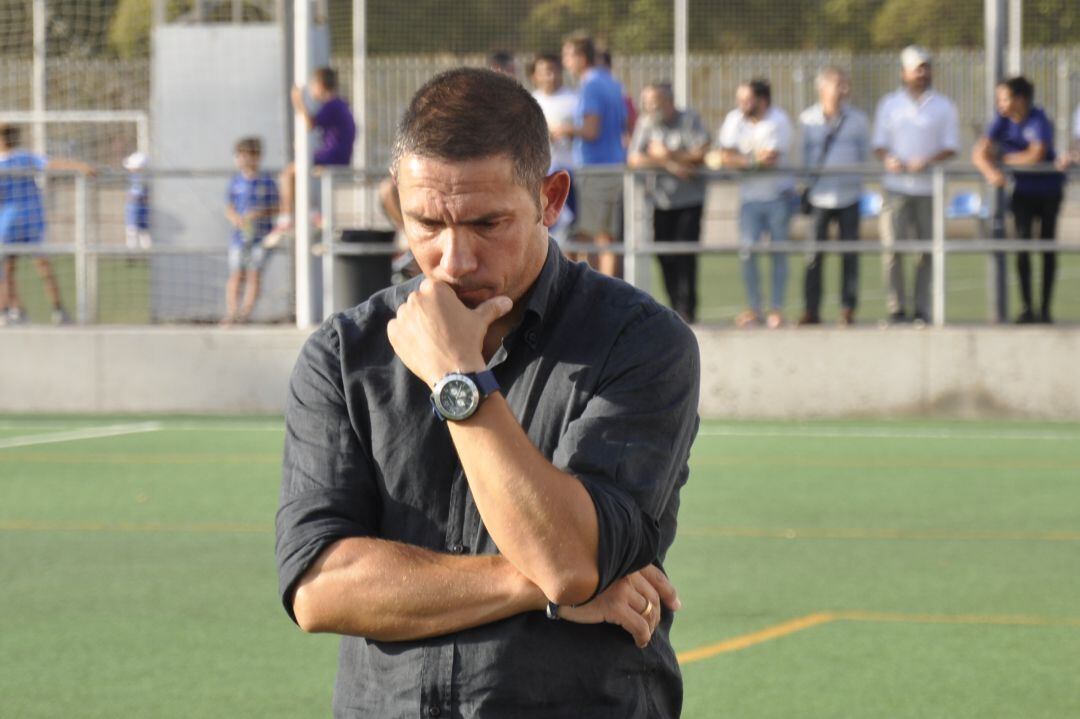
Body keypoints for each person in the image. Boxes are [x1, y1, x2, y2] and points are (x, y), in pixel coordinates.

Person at [275, 68, 699, 718]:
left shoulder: (638, 342)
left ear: (551, 198)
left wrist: (457, 380)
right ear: (397, 205)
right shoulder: (344, 355)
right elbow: (321, 589)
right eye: (427, 223)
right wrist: (534, 584)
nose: (454, 257)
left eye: (487, 223)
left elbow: (567, 557)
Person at [872, 45, 959, 325]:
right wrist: (890, 159)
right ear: (904, 73)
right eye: (917, 68)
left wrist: (928, 161)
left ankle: (923, 308)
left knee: (927, 253)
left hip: (928, 189)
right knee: (892, 249)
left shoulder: (943, 105)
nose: (922, 73)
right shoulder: (889, 104)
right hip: (896, 187)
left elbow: (951, 146)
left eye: (926, 68)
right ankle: (896, 308)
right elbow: (879, 144)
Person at [973, 76, 1065, 324]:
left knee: (1046, 247)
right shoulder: (1001, 121)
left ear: (1020, 99)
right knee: (1022, 247)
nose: (1000, 103)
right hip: (1023, 192)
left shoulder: (1038, 119)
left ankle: (1045, 309)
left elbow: (1036, 154)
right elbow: (979, 153)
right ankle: (1027, 308)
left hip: (1048, 190)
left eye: (1004, 98)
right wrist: (991, 172)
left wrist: (1003, 159)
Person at [714, 79, 795, 329]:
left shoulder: (778, 121)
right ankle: (754, 308)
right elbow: (723, 155)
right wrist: (749, 160)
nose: (742, 106)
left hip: (778, 197)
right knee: (747, 253)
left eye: (747, 100)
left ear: (762, 100)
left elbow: (769, 159)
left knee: (778, 254)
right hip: (749, 199)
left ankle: (777, 309)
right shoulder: (734, 119)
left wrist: (740, 160)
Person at [627, 82, 710, 323]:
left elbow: (700, 153)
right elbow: (634, 158)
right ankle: (674, 306)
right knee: (664, 255)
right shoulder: (646, 123)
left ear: (669, 102)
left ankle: (688, 309)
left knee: (685, 255)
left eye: (655, 102)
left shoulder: (689, 119)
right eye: (647, 103)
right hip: (660, 202)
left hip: (689, 200)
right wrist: (669, 164)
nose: (650, 107)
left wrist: (667, 154)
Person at [798, 67, 871, 326]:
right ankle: (811, 309)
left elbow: (865, 154)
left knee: (849, 254)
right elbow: (803, 157)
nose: (843, 89)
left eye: (845, 84)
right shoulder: (808, 119)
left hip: (849, 196)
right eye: (837, 84)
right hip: (819, 197)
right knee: (813, 255)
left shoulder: (858, 119)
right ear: (823, 88)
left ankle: (847, 309)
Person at [0, 124, 92, 325]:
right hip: (33, 218)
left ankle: (9, 311)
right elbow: (53, 164)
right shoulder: (25, 158)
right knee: (42, 265)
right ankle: (58, 309)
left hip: (9, 223)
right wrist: (80, 166)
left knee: (7, 268)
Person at [560, 33, 628, 276]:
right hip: (612, 167)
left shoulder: (590, 85)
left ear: (580, 57)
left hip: (596, 169)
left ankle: (603, 302)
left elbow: (591, 130)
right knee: (600, 236)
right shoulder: (611, 81)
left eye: (567, 55)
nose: (564, 60)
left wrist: (562, 129)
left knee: (599, 239)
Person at [271, 67, 356, 237]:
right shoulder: (338, 105)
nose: (310, 90)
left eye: (312, 86)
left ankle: (288, 217)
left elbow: (310, 123)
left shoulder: (332, 104)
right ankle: (309, 212)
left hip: (333, 157)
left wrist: (297, 101)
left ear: (320, 85)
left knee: (287, 174)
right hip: (338, 156)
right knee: (298, 170)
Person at [223, 136, 279, 325]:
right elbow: (229, 207)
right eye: (240, 155)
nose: (244, 160)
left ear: (257, 157)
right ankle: (232, 312)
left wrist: (259, 214)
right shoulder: (235, 182)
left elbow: (278, 207)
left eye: (248, 155)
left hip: (261, 237)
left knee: (254, 273)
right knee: (237, 274)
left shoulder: (267, 182)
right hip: (240, 238)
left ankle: (245, 314)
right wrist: (235, 218)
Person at [528, 52, 579, 245]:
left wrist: (568, 131)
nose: (550, 76)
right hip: (539, 176)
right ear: (534, 76)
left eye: (554, 71)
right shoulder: (530, 100)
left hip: (569, 173)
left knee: (570, 230)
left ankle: (568, 272)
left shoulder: (574, 100)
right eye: (544, 72)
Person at [123, 151, 152, 250]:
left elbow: (137, 193)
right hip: (137, 206)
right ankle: (134, 249)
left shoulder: (141, 177)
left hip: (137, 207)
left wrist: (132, 197)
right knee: (134, 229)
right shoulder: (135, 177)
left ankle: (137, 250)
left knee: (137, 229)